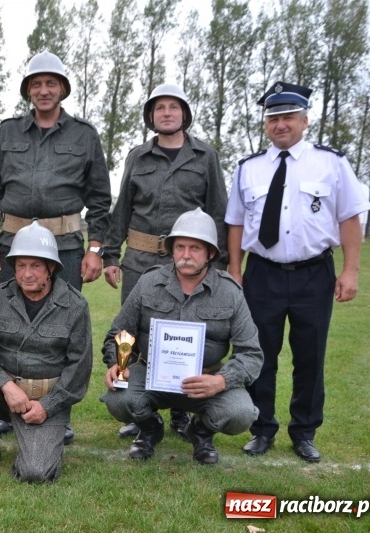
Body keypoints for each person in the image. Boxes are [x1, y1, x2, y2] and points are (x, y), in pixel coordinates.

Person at [226, 82, 370, 463]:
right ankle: (261, 428)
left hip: (314, 274)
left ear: (305, 120)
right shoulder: (248, 169)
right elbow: (236, 225)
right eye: (273, 118)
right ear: (265, 125)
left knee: (310, 355)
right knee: (260, 354)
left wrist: (350, 271)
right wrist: (236, 272)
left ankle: (304, 431)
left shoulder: (331, 163)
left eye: (288, 116)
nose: (280, 124)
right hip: (262, 275)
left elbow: (349, 218)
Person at [0, 50, 111, 443]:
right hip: (13, 246)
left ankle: (59, 410)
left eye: (51, 83)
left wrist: (96, 249)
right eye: (37, 84)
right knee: (12, 322)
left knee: (63, 327)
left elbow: (100, 199)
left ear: (63, 89)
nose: (44, 90)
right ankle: (8, 405)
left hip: (66, 245)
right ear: (28, 91)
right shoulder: (7, 132)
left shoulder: (85, 135)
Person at [102, 83, 229, 441]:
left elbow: (218, 212)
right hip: (140, 259)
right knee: (130, 333)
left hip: (190, 261)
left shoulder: (205, 156)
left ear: (184, 114)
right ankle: (134, 405)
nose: (167, 113)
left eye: (173, 107)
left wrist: (219, 266)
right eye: (159, 108)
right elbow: (122, 207)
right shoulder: (137, 156)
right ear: (151, 116)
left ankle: (181, 408)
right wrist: (111, 254)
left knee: (188, 329)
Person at [100, 208, 262, 464]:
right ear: (172, 249)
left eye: (195, 248)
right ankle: (150, 428)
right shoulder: (149, 282)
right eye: (180, 247)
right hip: (152, 374)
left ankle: (201, 431)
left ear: (210, 253)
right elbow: (121, 334)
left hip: (206, 380)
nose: (186, 255)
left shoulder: (230, 292)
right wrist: (117, 365)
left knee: (240, 413)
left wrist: (221, 381)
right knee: (119, 399)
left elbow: (251, 354)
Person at [0, 220, 93, 482]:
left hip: (46, 401)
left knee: (36, 472)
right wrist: (5, 384)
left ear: (51, 267)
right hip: (5, 395)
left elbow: (79, 369)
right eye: (21, 265)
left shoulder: (75, 305)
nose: (27, 274)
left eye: (36, 265)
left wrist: (47, 406)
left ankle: (45, 439)